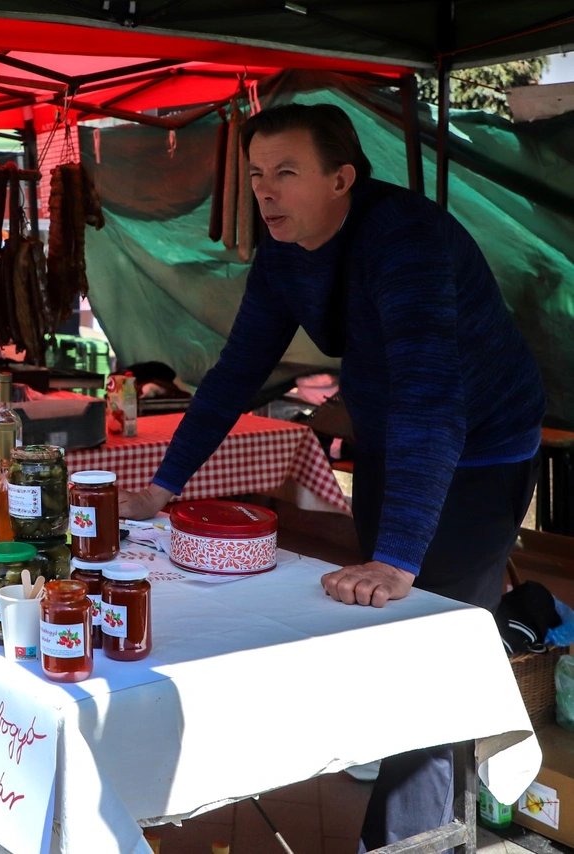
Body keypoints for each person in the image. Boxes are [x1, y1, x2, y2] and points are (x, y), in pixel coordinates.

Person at [119, 103, 544, 848]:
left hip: (482, 447)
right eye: (256, 175)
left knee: (431, 652)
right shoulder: (287, 251)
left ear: (343, 178)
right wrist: (164, 485)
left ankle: (403, 839)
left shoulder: (403, 237)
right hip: (395, 441)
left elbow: (432, 397)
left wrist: (400, 558)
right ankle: (408, 799)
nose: (265, 192)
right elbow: (237, 371)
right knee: (389, 637)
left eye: (286, 173)